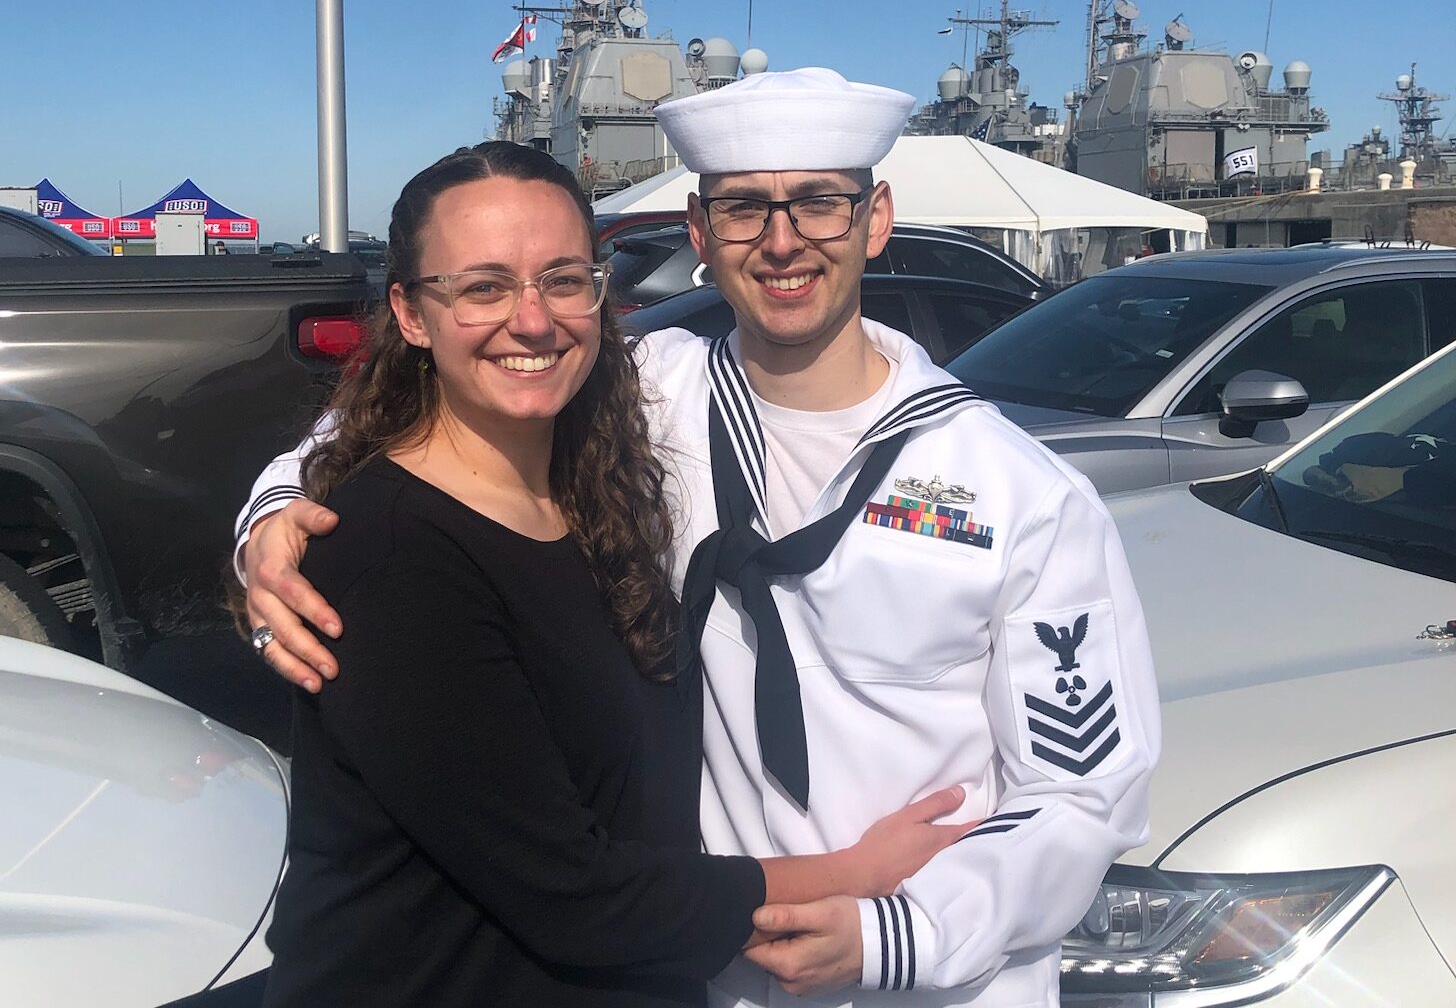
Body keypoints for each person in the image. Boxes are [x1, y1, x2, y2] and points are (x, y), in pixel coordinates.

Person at [239, 69, 1161, 1006]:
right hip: (704, 967)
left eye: (819, 205)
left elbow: (1085, 793)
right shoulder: (644, 396)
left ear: (876, 218)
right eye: (743, 211)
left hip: (924, 974)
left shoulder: (1022, 493)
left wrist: (900, 931)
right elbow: (411, 425)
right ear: (698, 233)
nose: (783, 243)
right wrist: (274, 519)